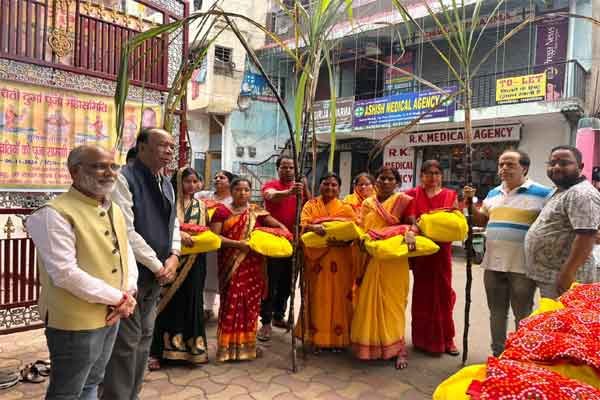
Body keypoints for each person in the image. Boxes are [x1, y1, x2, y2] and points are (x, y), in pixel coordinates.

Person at [26, 145, 138, 399]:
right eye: (99, 166)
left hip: (112, 314)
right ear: (74, 171)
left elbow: (125, 252)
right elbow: (65, 274)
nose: (109, 173)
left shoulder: (114, 209)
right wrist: (119, 298)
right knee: (67, 391)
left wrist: (128, 291)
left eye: (113, 166)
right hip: (74, 321)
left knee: (92, 382)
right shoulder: (53, 214)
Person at [102, 128, 181, 400]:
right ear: (143, 147)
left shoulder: (167, 182)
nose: (169, 151)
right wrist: (158, 265)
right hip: (131, 274)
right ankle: (116, 396)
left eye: (172, 146)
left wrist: (174, 255)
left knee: (144, 339)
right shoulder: (124, 179)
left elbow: (174, 224)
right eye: (163, 146)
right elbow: (125, 231)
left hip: (156, 276)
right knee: (126, 343)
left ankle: (131, 394)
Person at [465, 149, 552, 356]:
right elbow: (480, 221)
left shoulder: (544, 193)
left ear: (525, 167)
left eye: (510, 164)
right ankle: (498, 354)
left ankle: (521, 356)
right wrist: (470, 202)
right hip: (493, 263)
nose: (504, 168)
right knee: (496, 312)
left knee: (522, 313)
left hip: (523, 266)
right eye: (501, 164)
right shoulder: (494, 193)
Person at [210, 178, 289, 361]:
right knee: (232, 301)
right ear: (231, 191)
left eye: (246, 190)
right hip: (231, 264)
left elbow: (275, 224)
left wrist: (284, 232)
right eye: (238, 189)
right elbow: (214, 238)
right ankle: (227, 348)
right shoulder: (222, 211)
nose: (242, 193)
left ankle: (247, 346)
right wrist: (238, 244)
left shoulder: (255, 211)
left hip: (253, 264)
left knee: (250, 303)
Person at [351, 165, 415, 369]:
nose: (386, 182)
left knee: (394, 305)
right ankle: (372, 347)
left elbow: (413, 223)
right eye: (382, 178)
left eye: (390, 179)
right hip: (371, 258)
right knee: (368, 301)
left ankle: (398, 349)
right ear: (376, 181)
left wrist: (411, 231)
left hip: (395, 259)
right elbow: (361, 227)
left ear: (397, 182)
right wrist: (361, 239)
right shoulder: (368, 203)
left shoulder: (404, 201)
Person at [148, 167, 209, 370]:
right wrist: (179, 234)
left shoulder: (201, 205)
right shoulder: (169, 202)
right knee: (167, 304)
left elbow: (205, 230)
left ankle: (193, 352)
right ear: (178, 182)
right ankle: (157, 352)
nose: (191, 186)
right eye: (187, 181)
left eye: (195, 181)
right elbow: (157, 227)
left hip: (195, 261)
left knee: (192, 301)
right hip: (171, 259)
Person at [525, 146, 600, 299]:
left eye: (564, 163)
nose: (557, 167)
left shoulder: (581, 193)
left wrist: (568, 273)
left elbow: (586, 236)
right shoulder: (560, 190)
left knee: (566, 320)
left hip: (568, 277)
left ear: (580, 167)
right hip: (550, 274)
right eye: (552, 163)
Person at [296, 173, 357, 352]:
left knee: (340, 297)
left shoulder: (346, 207)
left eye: (334, 185)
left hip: (341, 259)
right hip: (317, 261)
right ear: (320, 185)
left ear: (339, 188)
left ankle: (339, 340)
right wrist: (313, 227)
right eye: (326, 184)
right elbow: (302, 224)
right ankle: (316, 338)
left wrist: (342, 240)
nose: (330, 188)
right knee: (318, 296)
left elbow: (355, 230)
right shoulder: (310, 205)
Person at [406, 160, 459, 356]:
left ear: (442, 176)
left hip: (442, 250)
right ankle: (422, 340)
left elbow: (455, 220)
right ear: (421, 175)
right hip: (421, 251)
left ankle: (447, 339)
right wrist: (416, 227)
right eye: (428, 173)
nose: (433, 177)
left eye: (437, 173)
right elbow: (410, 217)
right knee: (423, 295)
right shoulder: (412, 194)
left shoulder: (450, 195)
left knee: (444, 295)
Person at [258, 155, 309, 341]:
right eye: (284, 167)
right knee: (270, 282)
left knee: (289, 283)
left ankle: (279, 315)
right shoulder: (271, 185)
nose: (287, 170)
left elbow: (308, 207)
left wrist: (304, 189)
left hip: (294, 241)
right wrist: (289, 193)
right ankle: (265, 322)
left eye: (291, 168)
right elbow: (270, 196)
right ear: (278, 169)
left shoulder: (300, 187)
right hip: (274, 241)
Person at [196, 170, 234, 322]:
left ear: (230, 183)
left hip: (226, 241)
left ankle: (225, 309)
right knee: (208, 274)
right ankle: (207, 308)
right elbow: (193, 194)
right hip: (207, 240)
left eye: (222, 177)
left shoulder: (233, 200)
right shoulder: (205, 195)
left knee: (224, 274)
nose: (217, 179)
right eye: (216, 177)